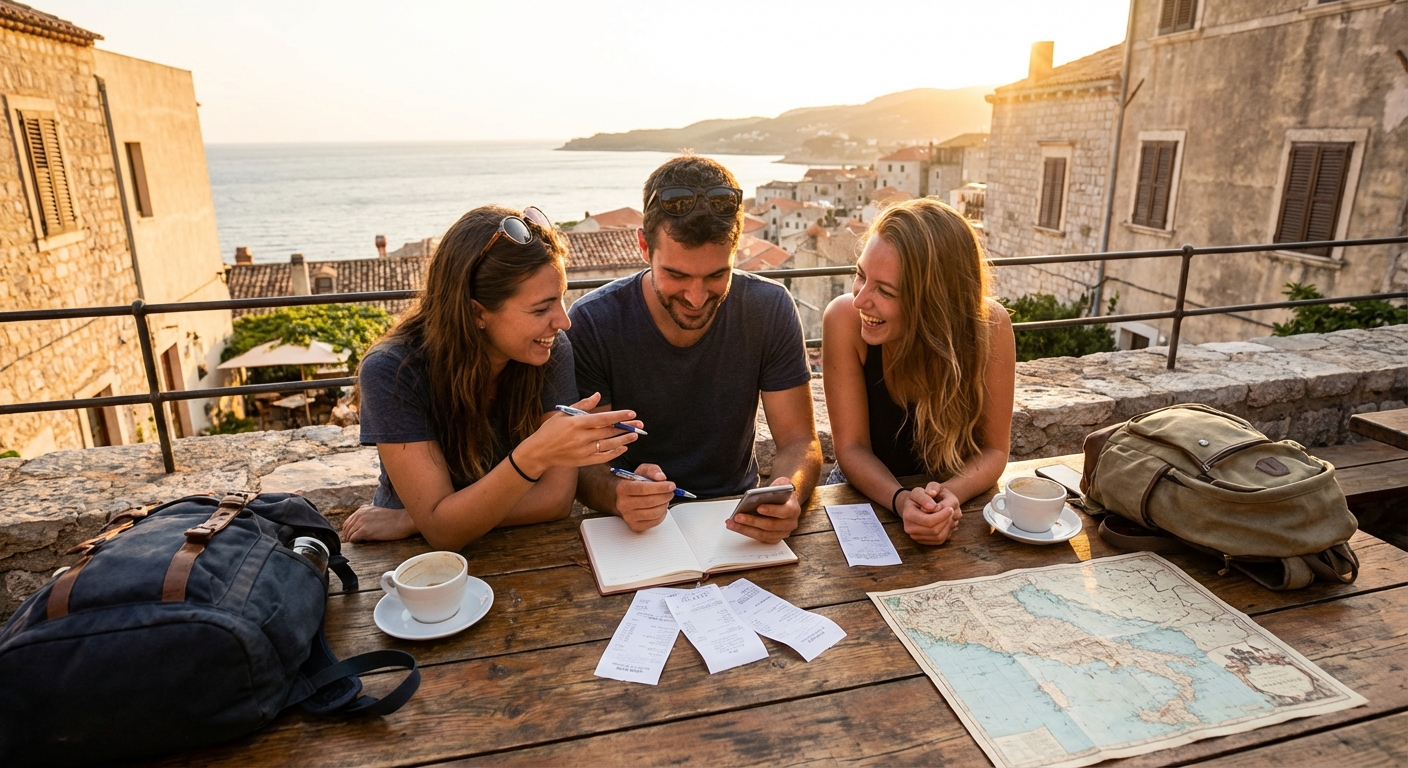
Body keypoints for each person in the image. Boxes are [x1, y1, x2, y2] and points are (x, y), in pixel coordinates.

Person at [341, 205, 642, 550]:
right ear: (475, 313)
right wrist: (534, 454)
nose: (563, 321)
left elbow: (555, 502)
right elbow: (443, 533)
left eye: (560, 299)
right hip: (416, 563)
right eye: (541, 309)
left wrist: (415, 519)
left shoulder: (548, 349)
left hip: (510, 547)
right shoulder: (393, 371)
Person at [568, 155, 822, 544]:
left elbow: (799, 442)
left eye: (718, 275)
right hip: (631, 534)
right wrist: (619, 494)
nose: (697, 296)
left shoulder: (769, 307)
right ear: (643, 246)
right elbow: (586, 467)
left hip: (739, 524)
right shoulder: (594, 321)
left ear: (736, 251)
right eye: (676, 275)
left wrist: (788, 494)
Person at [822, 198, 1016, 546]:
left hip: (953, 502)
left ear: (935, 303)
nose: (860, 299)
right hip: (867, 496)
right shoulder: (843, 321)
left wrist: (947, 499)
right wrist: (900, 501)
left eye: (884, 290)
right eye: (861, 275)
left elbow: (994, 451)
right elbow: (851, 448)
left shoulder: (990, 327)